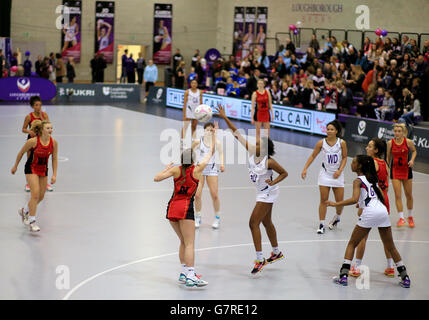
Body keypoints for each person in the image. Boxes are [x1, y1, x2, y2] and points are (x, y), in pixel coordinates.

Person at [216, 104, 288, 274]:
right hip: (261, 191)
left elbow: (285, 173)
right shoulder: (251, 152)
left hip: (267, 193)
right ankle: (277, 252)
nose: (254, 144)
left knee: (253, 222)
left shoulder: (269, 161)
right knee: (266, 221)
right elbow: (236, 133)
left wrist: (274, 180)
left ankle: (259, 258)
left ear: (263, 148)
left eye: (257, 143)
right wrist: (225, 117)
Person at [328, 155, 410, 288]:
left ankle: (343, 276)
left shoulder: (357, 180)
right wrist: (363, 203)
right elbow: (380, 196)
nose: (351, 163)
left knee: (352, 243)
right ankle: (405, 277)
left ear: (359, 166)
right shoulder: (373, 179)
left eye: (353, 161)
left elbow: (354, 199)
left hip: (370, 212)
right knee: (391, 247)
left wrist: (335, 203)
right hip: (382, 211)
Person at [153, 126, 216, 287]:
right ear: (193, 160)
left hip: (172, 208)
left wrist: (166, 168)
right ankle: (190, 276)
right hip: (185, 208)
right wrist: (213, 138)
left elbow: (156, 178)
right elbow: (210, 153)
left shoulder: (176, 170)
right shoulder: (197, 170)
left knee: (182, 241)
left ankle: (184, 272)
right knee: (190, 244)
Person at [349, 139, 396, 278]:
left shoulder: (371, 163)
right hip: (384, 200)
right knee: (386, 238)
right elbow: (386, 186)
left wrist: (363, 199)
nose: (367, 148)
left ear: (376, 150)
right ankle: (390, 267)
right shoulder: (385, 164)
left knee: (362, 236)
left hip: (372, 200)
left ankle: (357, 267)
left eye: (369, 146)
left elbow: (368, 183)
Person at [301, 120, 347, 234]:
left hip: (337, 175)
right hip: (325, 174)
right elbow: (313, 155)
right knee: (323, 200)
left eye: (332, 129)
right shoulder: (321, 143)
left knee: (339, 201)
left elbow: (345, 158)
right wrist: (305, 168)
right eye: (328, 129)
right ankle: (321, 224)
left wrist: (339, 171)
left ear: (336, 131)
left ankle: (337, 218)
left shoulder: (342, 143)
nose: (329, 131)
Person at [11, 120, 58, 233]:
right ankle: (32, 221)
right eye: (48, 128)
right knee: (35, 194)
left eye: (51, 128)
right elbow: (21, 153)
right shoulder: (33, 141)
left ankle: (24, 210)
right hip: (31, 168)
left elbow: (54, 158)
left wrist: (54, 174)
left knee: (41, 197)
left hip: (43, 169)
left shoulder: (54, 142)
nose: (50, 130)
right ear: (42, 130)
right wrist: (15, 166)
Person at [192, 122, 225, 229]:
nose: (209, 132)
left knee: (214, 195)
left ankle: (217, 218)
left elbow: (221, 153)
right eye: (207, 130)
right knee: (197, 195)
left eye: (211, 130)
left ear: (214, 132)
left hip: (212, 170)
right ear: (204, 131)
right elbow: (190, 151)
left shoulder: (217, 143)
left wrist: (222, 164)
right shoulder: (198, 141)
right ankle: (198, 217)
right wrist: (192, 163)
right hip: (200, 169)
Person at [386, 123, 417, 228]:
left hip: (406, 171)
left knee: (409, 195)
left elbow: (414, 151)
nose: (397, 133)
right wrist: (386, 169)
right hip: (395, 171)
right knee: (398, 195)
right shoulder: (390, 143)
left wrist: (412, 160)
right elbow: (388, 158)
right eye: (395, 131)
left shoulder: (408, 142)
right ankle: (401, 218)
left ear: (403, 132)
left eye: (399, 131)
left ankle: (410, 217)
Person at [22, 96, 52, 192]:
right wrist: (29, 132)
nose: (38, 107)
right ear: (32, 106)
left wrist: (42, 117)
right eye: (36, 105)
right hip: (32, 140)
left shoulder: (44, 115)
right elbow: (23, 129)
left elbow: (48, 126)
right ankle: (28, 183)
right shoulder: (29, 116)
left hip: (43, 140)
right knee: (30, 162)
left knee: (43, 162)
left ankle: (44, 182)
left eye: (40, 105)